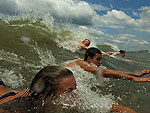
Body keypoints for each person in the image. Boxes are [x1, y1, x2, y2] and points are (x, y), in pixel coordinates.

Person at [0, 66, 137, 113]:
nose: (77, 96)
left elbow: (109, 107)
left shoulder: (51, 100)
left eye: (75, 89)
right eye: (69, 91)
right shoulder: (19, 110)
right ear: (43, 96)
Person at [64, 47, 150, 82]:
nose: (100, 62)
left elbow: (112, 73)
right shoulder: (82, 63)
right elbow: (105, 72)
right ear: (89, 58)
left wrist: (136, 75)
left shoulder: (88, 68)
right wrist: (133, 78)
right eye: (98, 59)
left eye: (101, 59)